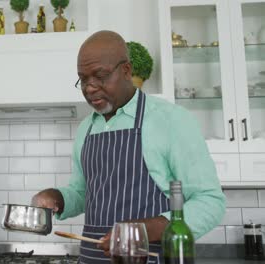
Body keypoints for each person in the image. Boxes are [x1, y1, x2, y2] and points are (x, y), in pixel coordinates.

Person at [31, 30, 225, 263]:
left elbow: (210, 201)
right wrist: (57, 199)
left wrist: (145, 230)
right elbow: (84, 193)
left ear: (126, 71)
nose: (90, 88)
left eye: (100, 76)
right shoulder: (86, 128)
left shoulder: (171, 120)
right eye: (83, 79)